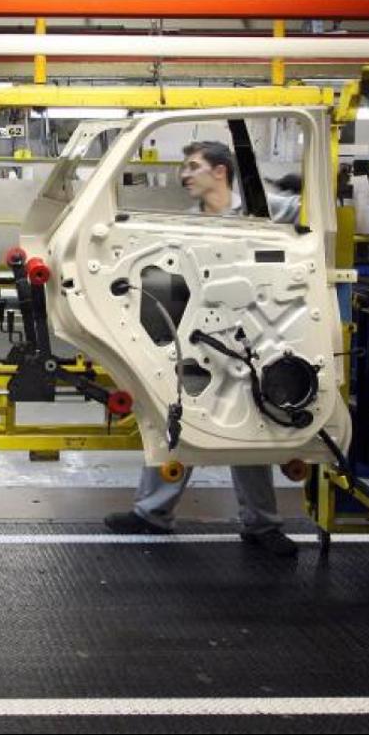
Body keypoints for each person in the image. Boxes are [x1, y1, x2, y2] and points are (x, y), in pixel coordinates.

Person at [104, 141, 299, 557]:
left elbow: (317, 229)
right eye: (184, 167)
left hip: (258, 336)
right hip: (202, 337)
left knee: (250, 427)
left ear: (221, 171)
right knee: (175, 416)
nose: (184, 174)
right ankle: (151, 513)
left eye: (193, 166)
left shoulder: (269, 208)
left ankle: (262, 524)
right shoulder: (187, 226)